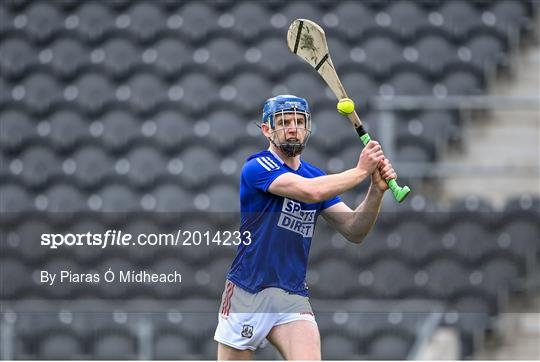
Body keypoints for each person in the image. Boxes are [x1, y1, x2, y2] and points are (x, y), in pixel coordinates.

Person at [214, 94, 397, 360]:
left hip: (291, 295)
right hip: (248, 292)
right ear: (267, 129)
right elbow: (309, 192)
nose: (292, 127)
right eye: (284, 121)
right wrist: (361, 171)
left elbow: (354, 229)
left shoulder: (316, 176)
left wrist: (376, 190)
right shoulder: (257, 167)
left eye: (299, 121)